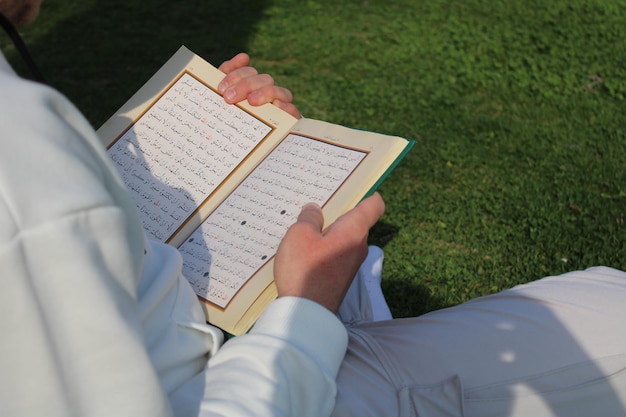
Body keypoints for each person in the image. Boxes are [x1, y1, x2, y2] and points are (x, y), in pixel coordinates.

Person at [2, 2, 626, 416]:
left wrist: (227, 147)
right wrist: (305, 309)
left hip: (219, 330)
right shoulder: (19, 146)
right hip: (253, 385)